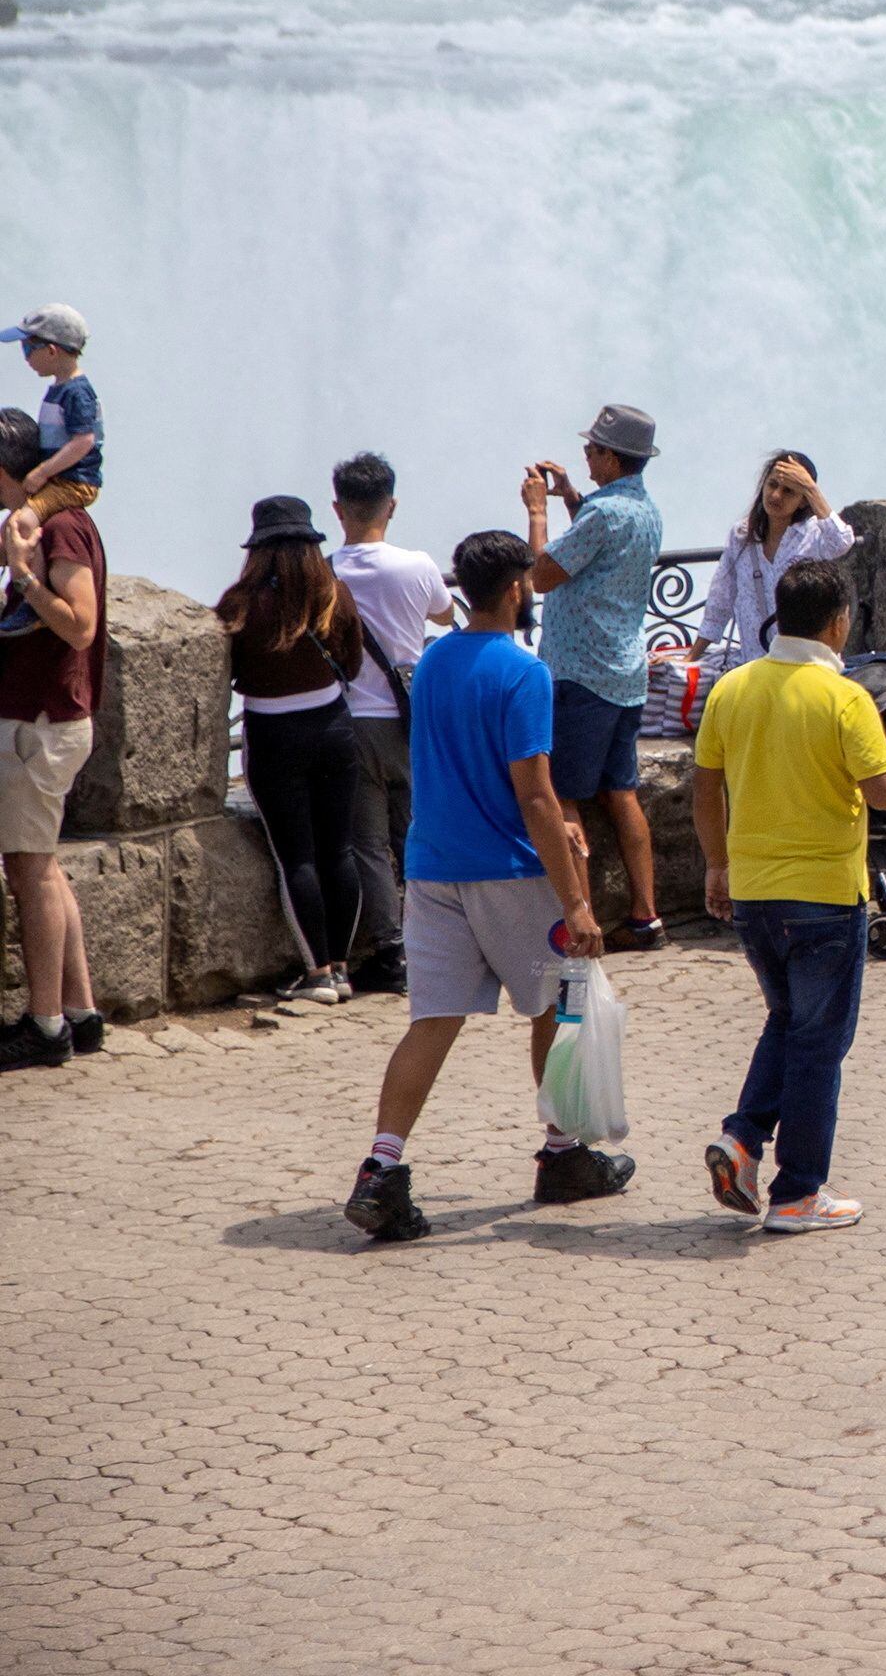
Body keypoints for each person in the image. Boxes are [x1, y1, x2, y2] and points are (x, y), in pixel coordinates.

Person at [340, 531, 624, 1242]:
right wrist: (578, 900)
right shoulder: (524, 674)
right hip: (510, 871)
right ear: (517, 588)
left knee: (431, 1022)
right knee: (554, 1007)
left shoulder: (435, 660)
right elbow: (534, 795)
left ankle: (381, 1169)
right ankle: (561, 1155)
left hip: (433, 867)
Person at [695, 559, 886, 1237]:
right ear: (840, 622)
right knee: (819, 1045)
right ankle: (797, 1192)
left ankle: (744, 1138)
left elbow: (704, 785)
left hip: (753, 892)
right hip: (825, 895)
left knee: (787, 1023)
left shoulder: (732, 689)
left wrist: (716, 865)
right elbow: (884, 792)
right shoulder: (845, 698)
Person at [522, 404, 668, 949]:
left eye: (591, 449)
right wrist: (568, 498)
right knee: (621, 792)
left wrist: (538, 511)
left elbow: (540, 576)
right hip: (625, 673)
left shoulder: (604, 516)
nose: (584, 455)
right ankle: (646, 917)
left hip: (581, 677)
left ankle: (582, 926)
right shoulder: (642, 510)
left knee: (565, 800)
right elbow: (600, 542)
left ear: (610, 456)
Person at [220, 497, 373, 1006]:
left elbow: (230, 672)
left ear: (258, 550)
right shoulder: (335, 595)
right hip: (333, 727)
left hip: (273, 733)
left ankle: (318, 972)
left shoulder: (241, 604)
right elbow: (350, 666)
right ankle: (344, 968)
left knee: (297, 857)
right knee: (339, 850)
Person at [330, 451, 456, 995]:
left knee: (368, 844)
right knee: (417, 833)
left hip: (353, 721)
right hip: (413, 719)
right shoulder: (419, 565)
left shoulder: (325, 571)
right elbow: (445, 615)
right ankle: (444, 937)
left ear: (338, 510)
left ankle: (390, 951)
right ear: (392, 505)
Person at [0, 413, 103, 1073]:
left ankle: (44, 1025)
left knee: (28, 870)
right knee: (45, 864)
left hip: (40, 721)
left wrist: (23, 576)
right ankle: (81, 1012)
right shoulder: (57, 520)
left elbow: (81, 627)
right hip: (48, 719)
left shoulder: (58, 527)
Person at [694, 449, 855, 678]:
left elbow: (842, 541)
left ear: (802, 501)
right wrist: (693, 656)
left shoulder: (814, 537)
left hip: (804, 669)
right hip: (756, 666)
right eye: (772, 485)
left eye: (789, 491)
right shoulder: (741, 536)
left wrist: (810, 488)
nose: (776, 495)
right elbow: (721, 598)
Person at [6, 302, 101, 518]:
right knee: (10, 525)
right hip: (58, 478)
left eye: (28, 349)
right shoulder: (60, 389)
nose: (26, 358)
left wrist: (42, 472)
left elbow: (83, 441)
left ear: (51, 351)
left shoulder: (77, 393)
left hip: (73, 482)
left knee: (24, 522)